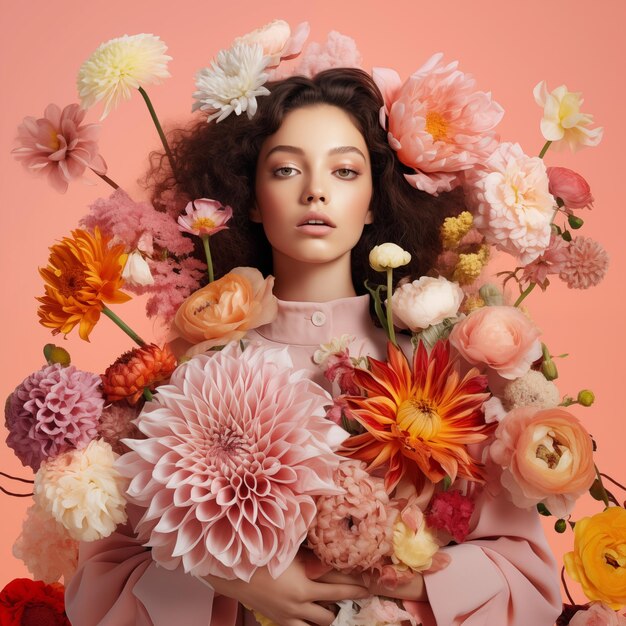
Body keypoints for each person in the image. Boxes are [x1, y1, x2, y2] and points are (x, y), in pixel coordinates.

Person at [65, 69, 562, 625]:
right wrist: (230, 579)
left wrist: (409, 582)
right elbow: (101, 585)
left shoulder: (439, 366)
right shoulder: (196, 373)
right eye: (285, 170)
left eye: (345, 170)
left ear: (375, 200)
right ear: (249, 200)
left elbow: (526, 577)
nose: (315, 190)